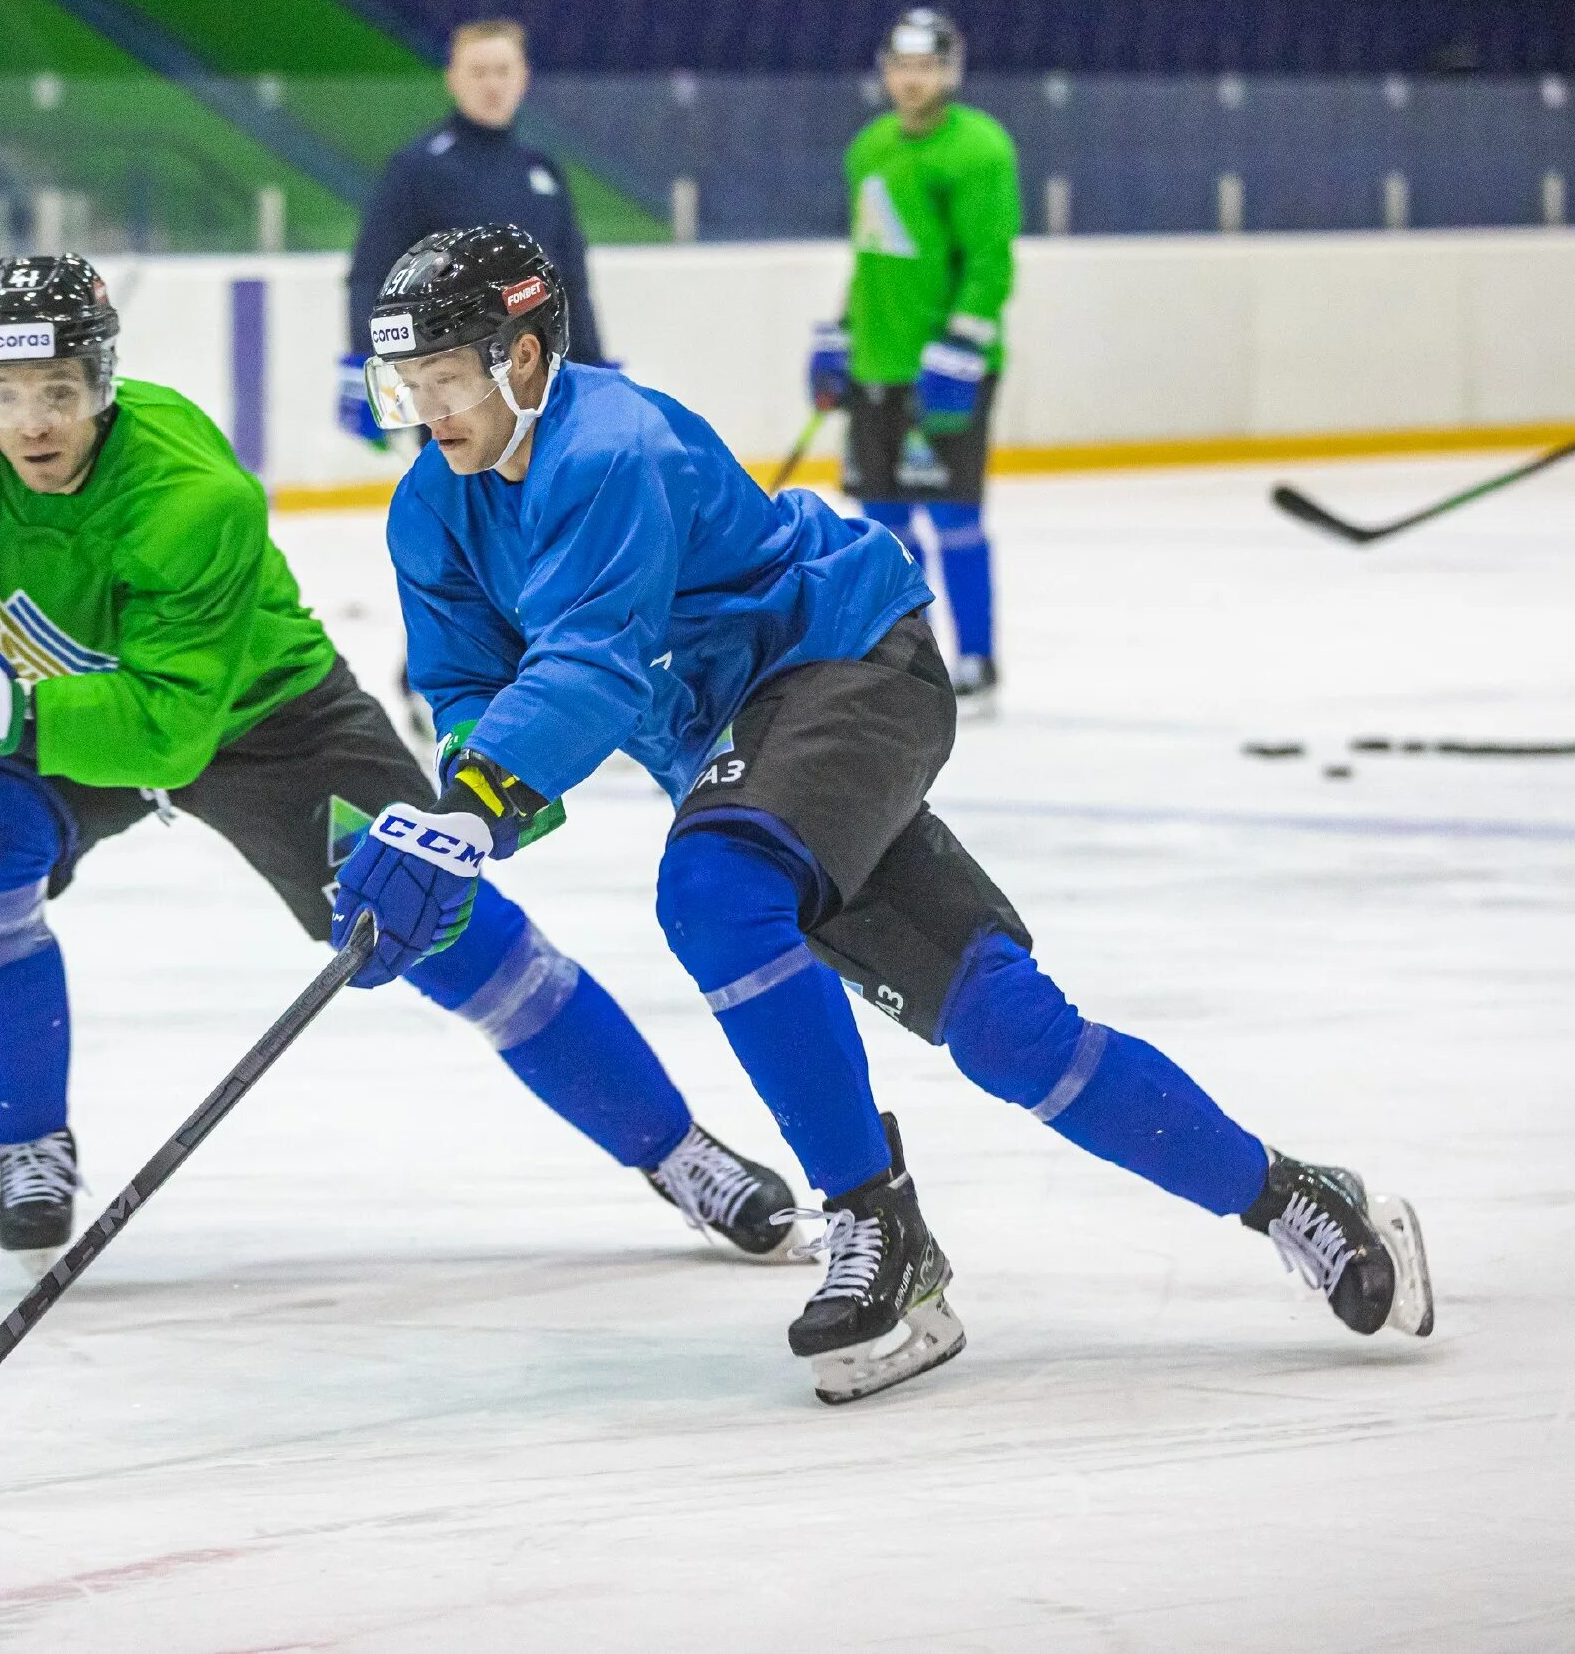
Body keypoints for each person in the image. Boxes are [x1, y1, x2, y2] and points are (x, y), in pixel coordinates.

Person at [333, 224, 1434, 1405]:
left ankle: (876, 1226)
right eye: (410, 382)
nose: (427, 407)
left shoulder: (610, 446)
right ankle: (1294, 1196)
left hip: (846, 663)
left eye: (448, 375)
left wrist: (479, 809)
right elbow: (469, 692)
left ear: (528, 358)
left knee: (716, 891)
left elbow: (591, 667)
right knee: (1011, 1031)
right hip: (748, 749)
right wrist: (453, 807)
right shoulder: (429, 514)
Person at [0, 252, 799, 1271]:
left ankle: (675, 1149)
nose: (34, 424)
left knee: (431, 910)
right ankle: (26, 1147)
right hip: (42, 716)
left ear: (104, 380)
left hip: (263, 717)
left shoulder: (191, 492)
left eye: (58, 388)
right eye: (3, 396)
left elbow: (169, 732)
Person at [808, 10, 1018, 706]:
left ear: (949, 71)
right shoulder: (869, 147)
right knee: (883, 526)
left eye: (925, 65)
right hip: (876, 365)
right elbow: (871, 255)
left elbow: (990, 262)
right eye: (900, 65)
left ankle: (981, 659)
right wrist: (841, 334)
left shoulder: (980, 149)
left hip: (945, 374)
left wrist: (961, 345)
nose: (911, 78)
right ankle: (911, 661)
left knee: (954, 517)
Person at [340, 19, 605, 451]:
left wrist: (595, 371)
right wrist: (367, 363)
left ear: (523, 77)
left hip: (543, 388)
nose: (492, 84)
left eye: (503, 71)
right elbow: (371, 275)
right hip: (450, 388)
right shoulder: (417, 169)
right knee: (464, 511)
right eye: (478, 72)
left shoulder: (543, 172)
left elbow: (571, 283)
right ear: (453, 79)